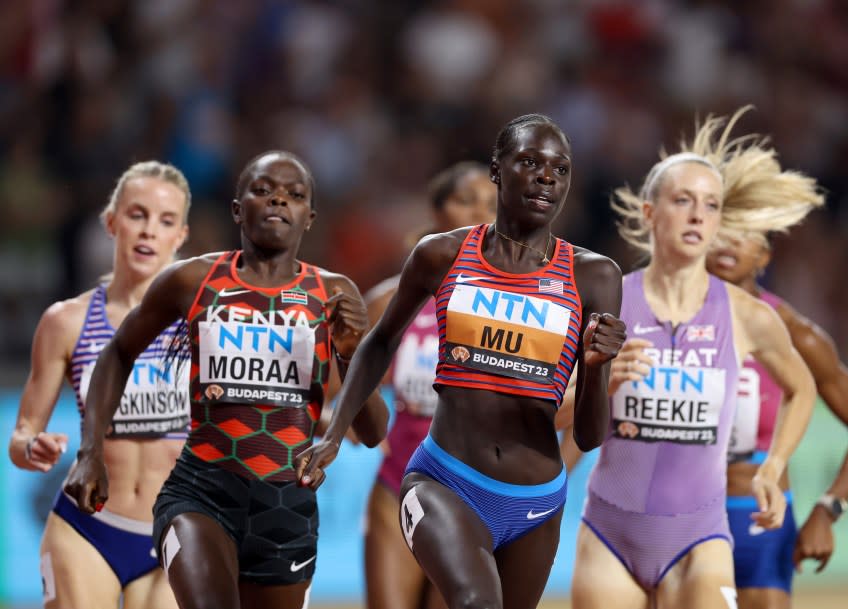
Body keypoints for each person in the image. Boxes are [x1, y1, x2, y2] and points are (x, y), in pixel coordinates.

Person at [296, 113, 627, 609]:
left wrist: (597, 367)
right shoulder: (442, 254)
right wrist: (335, 430)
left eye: (559, 169)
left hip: (536, 501)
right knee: (476, 602)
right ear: (497, 171)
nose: (545, 177)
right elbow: (379, 341)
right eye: (530, 162)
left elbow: (588, 436)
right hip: (444, 479)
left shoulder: (595, 275)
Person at [63, 150, 389, 609]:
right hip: (201, 492)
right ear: (238, 209)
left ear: (309, 217)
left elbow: (374, 432)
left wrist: (352, 350)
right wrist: (90, 450)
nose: (278, 201)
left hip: (286, 507)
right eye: (262, 190)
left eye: (293, 196)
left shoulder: (333, 294)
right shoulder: (193, 280)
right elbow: (117, 352)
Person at [569, 108, 819, 609]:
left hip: (700, 538)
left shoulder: (747, 315)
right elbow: (553, 411)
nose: (698, 215)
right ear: (649, 213)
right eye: (682, 201)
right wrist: (599, 381)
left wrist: (774, 468)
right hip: (610, 534)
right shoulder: (606, 301)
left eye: (710, 205)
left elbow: (803, 388)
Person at [705, 145, 848, 609]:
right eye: (721, 230)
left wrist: (829, 509)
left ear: (764, 254)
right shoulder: (664, 317)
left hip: (757, 520)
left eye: (744, 235)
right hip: (680, 516)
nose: (728, 243)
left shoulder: (797, 335)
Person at [8, 161, 192, 609]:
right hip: (86, 529)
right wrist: (33, 447)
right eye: (137, 215)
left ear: (180, 237)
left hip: (180, 529)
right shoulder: (66, 322)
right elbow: (21, 435)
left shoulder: (200, 323)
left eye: (165, 221)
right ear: (111, 223)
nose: (149, 230)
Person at [363, 161, 496, 609]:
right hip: (396, 482)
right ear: (436, 213)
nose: (481, 213)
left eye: (492, 205)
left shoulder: (514, 303)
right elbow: (347, 373)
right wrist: (350, 415)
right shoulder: (390, 298)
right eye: (466, 201)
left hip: (469, 493)